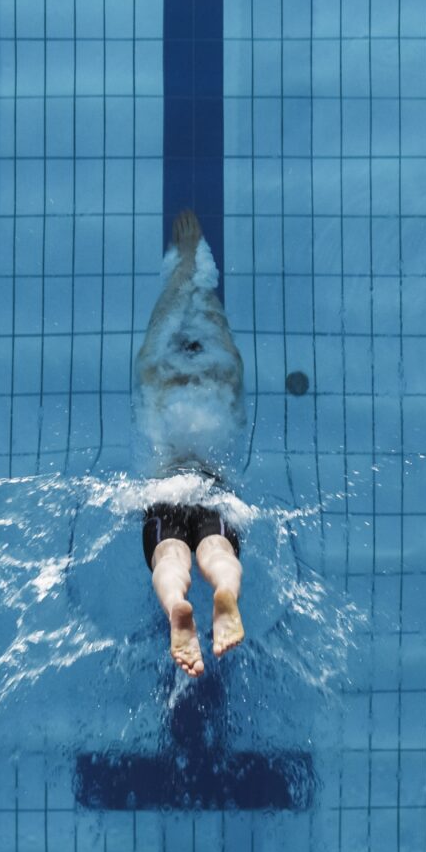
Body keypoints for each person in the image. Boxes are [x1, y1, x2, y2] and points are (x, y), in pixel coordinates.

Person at [133, 210, 247, 677]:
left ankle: (176, 601)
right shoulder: (227, 377)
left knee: (169, 555)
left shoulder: (154, 375)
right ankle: (224, 590)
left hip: (164, 489)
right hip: (213, 488)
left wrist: (183, 268)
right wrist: (204, 284)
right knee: (217, 549)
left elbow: (156, 341)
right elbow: (224, 344)